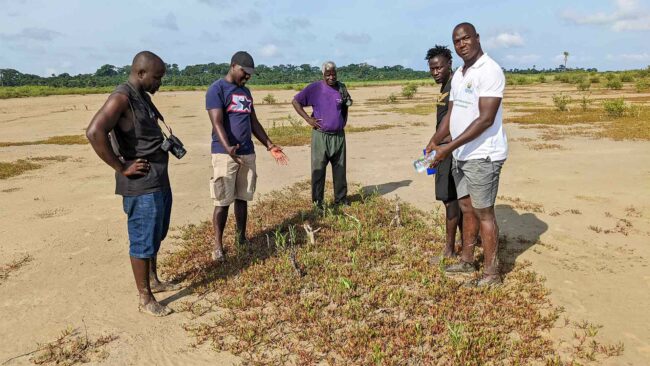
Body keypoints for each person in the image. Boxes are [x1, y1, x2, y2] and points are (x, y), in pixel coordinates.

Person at [86, 51, 179, 316]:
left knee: (156, 234)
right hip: (141, 186)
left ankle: (153, 280)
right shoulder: (121, 97)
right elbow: (94, 132)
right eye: (157, 77)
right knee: (142, 239)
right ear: (140, 73)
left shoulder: (143, 98)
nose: (160, 82)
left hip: (158, 180)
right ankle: (145, 298)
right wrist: (121, 166)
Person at [426, 23, 508, 287]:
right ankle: (467, 259)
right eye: (457, 41)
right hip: (461, 154)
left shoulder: (490, 70)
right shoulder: (460, 74)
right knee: (466, 208)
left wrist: (447, 148)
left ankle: (491, 274)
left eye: (466, 38)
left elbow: (485, 120)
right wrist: (435, 141)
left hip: (484, 154)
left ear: (477, 38)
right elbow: (452, 114)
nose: (462, 44)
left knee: (484, 212)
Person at [206, 51, 288, 262]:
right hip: (225, 155)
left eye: (250, 74)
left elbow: (253, 122)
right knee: (222, 200)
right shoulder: (217, 89)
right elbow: (216, 122)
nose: (247, 77)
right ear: (233, 66)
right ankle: (218, 245)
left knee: (243, 197)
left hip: (247, 153)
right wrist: (228, 148)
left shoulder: (246, 92)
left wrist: (269, 144)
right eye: (245, 72)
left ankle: (241, 238)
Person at [292, 61, 352, 207]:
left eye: (334, 74)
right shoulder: (315, 88)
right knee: (318, 170)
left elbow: (346, 106)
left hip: (338, 136)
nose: (331, 77)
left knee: (340, 170)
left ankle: (341, 200)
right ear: (323, 75)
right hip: (320, 136)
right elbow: (295, 101)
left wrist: (342, 122)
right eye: (328, 74)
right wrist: (308, 119)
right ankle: (318, 203)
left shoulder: (341, 88)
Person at [425, 45, 463, 261]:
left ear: (449, 64)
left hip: (447, 149)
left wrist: (433, 144)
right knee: (455, 200)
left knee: (450, 200)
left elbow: (450, 122)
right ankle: (462, 243)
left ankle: (449, 251)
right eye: (432, 69)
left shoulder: (454, 86)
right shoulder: (446, 86)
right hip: (442, 146)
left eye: (439, 67)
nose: (435, 72)